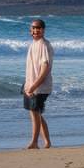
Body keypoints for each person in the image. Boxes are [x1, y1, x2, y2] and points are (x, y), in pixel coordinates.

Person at [24, 18, 54, 149]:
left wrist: (34, 86)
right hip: (31, 85)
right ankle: (47, 142)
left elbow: (44, 68)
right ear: (30, 30)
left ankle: (35, 142)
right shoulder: (33, 44)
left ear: (43, 30)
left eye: (38, 28)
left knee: (35, 113)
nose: (35, 30)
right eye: (33, 28)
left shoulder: (44, 45)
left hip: (40, 87)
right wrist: (27, 84)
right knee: (36, 114)